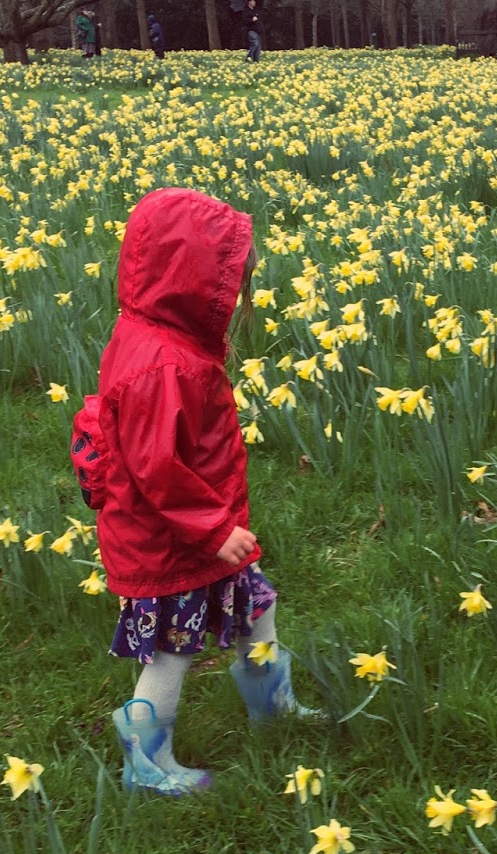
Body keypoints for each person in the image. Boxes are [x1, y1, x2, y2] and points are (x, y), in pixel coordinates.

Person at [75, 190, 314, 796]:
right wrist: (215, 528)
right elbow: (157, 468)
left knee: (257, 606)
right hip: (176, 541)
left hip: (197, 530)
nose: (235, 300)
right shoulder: (165, 365)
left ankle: (273, 707)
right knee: (170, 651)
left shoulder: (158, 334)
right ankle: (147, 765)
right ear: (191, 282)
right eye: (229, 284)